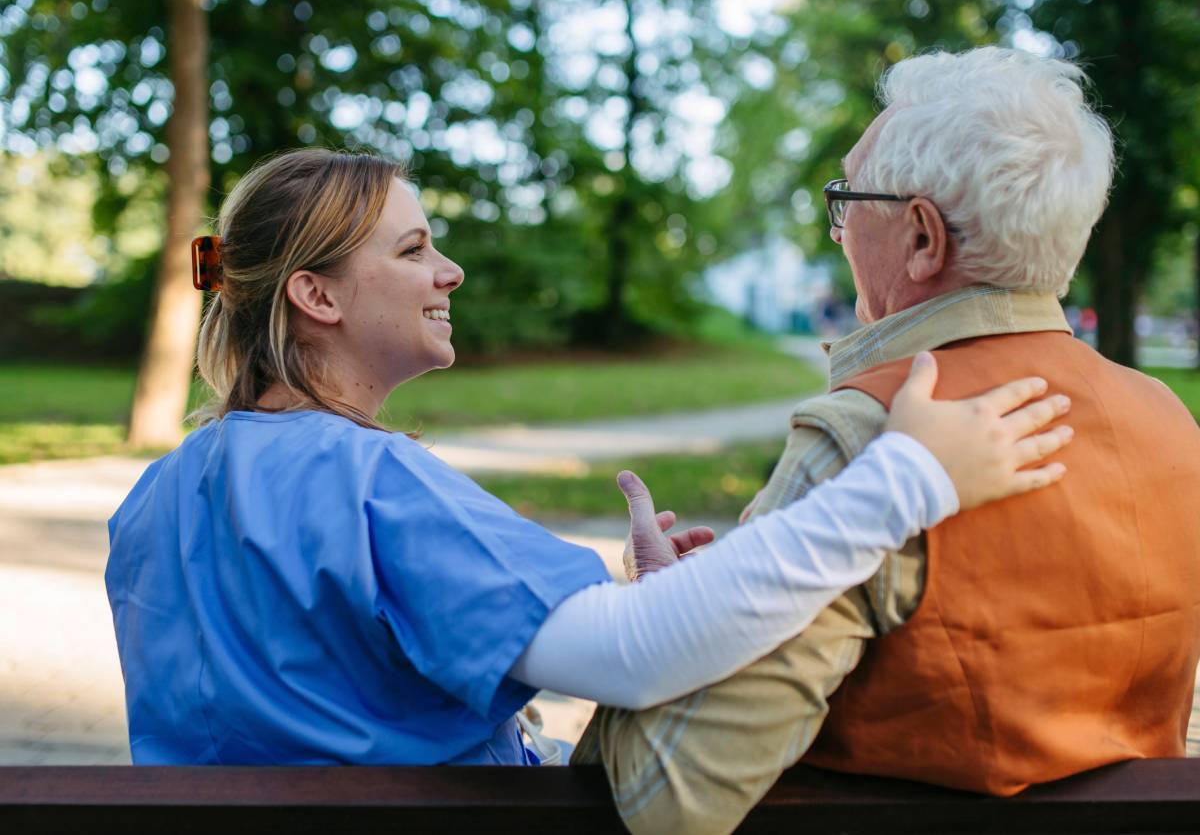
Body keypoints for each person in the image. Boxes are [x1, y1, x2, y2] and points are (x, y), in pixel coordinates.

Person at [105, 148, 1071, 767]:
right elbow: (633, 661)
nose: (452, 273)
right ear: (317, 297)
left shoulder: (156, 498)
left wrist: (648, 596)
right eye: (413, 251)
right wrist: (906, 480)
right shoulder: (371, 485)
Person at [573, 46, 1200, 834]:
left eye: (848, 200)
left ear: (922, 239)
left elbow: (672, 798)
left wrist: (661, 626)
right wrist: (711, 601)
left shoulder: (874, 434)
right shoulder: (1170, 421)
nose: (838, 233)